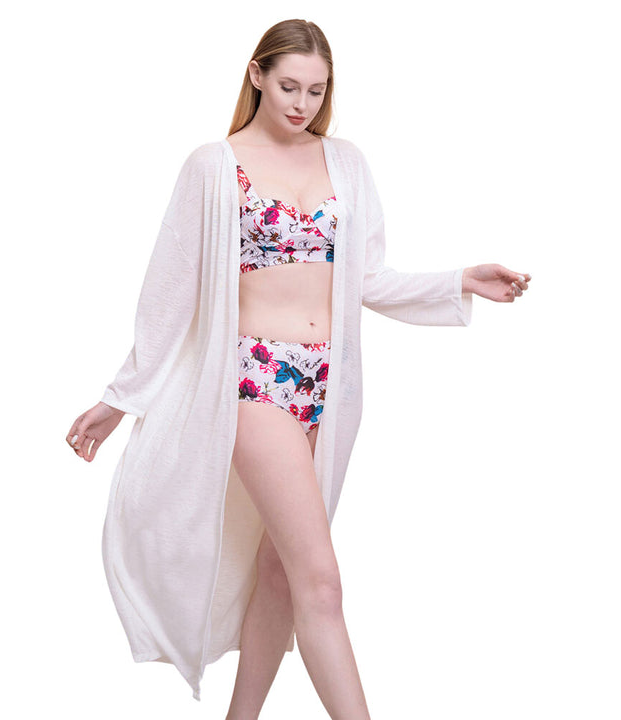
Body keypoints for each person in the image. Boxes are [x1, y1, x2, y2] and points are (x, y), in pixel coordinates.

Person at [66, 18, 531, 719]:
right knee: (322, 582)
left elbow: (366, 277)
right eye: (289, 86)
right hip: (253, 380)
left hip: (329, 386)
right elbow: (170, 290)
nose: (302, 104)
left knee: (283, 571)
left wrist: (459, 279)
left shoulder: (346, 162)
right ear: (256, 75)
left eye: (316, 91)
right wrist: (120, 398)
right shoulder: (213, 166)